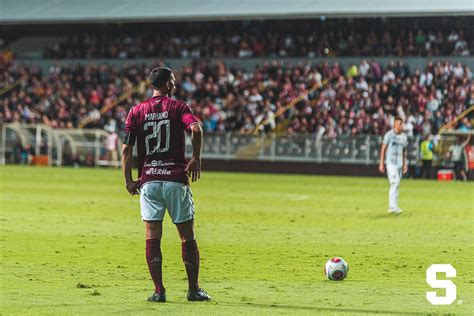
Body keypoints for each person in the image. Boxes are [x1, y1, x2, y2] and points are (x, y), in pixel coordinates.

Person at [121, 67, 211, 303]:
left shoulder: (136, 111)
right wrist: (196, 158)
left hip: (149, 181)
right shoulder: (180, 107)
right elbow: (196, 129)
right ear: (169, 85)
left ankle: (159, 291)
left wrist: (129, 180)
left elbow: (126, 148)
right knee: (187, 237)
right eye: (173, 81)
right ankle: (193, 290)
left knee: (152, 236)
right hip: (175, 179)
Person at [379, 117, 408, 214]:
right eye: (400, 124)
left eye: (402, 124)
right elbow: (383, 148)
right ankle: (392, 207)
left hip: (399, 163)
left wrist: (405, 164)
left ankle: (394, 206)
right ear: (395, 125)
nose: (402, 126)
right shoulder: (389, 135)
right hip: (391, 163)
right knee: (394, 182)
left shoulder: (404, 136)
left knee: (397, 184)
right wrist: (381, 163)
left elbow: (404, 151)